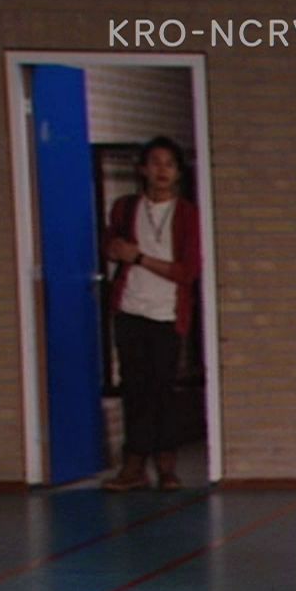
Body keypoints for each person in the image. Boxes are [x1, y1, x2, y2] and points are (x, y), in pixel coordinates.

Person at [101, 137, 202, 492]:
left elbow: (187, 271)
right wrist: (117, 251)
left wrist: (140, 258)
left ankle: (166, 464)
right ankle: (133, 465)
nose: (162, 170)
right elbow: (111, 246)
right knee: (135, 388)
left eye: (169, 164)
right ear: (142, 169)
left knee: (162, 389)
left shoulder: (187, 214)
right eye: (155, 163)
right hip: (130, 310)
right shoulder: (125, 208)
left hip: (167, 314)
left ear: (178, 173)